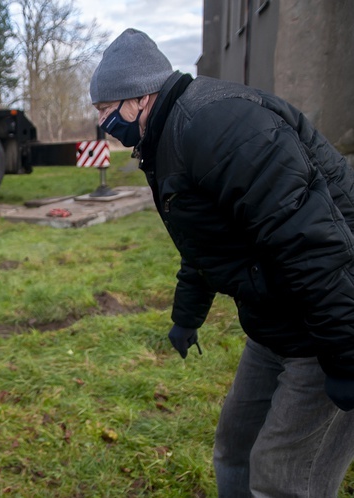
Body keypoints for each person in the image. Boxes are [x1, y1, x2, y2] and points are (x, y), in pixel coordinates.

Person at [90, 28, 354, 497]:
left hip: (331, 315)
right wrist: (186, 317)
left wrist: (346, 356)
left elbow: (311, 242)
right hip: (276, 318)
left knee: (282, 477)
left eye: (106, 112)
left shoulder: (217, 126)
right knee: (235, 447)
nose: (104, 125)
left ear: (139, 97)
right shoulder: (166, 139)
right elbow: (208, 242)